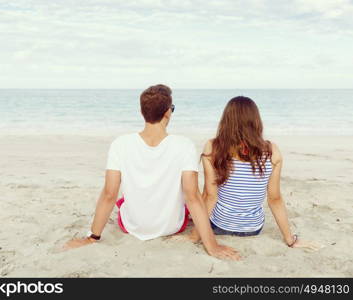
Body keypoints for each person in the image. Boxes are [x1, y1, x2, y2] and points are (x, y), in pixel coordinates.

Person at [63, 84, 240, 260]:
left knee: (122, 200)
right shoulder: (184, 145)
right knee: (187, 200)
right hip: (172, 227)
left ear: (143, 113)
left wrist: (92, 237)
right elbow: (192, 196)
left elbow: (109, 194)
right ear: (168, 112)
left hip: (132, 227)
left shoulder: (120, 144)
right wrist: (212, 246)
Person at [190, 96, 318, 251]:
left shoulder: (213, 147)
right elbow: (275, 199)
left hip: (219, 226)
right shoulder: (272, 151)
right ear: (256, 121)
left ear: (226, 121)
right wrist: (290, 240)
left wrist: (195, 235)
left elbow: (210, 196)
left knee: (190, 207)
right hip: (253, 229)